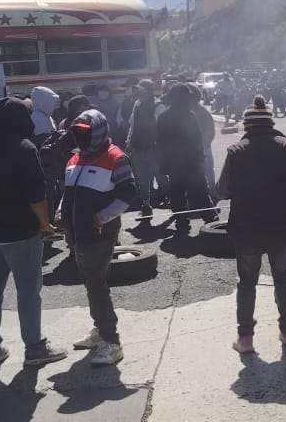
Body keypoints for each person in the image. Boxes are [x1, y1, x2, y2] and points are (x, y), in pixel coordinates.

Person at [0, 96, 68, 370]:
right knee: (28, 292)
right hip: (21, 233)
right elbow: (36, 194)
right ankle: (35, 349)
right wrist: (45, 224)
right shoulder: (24, 147)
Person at [216, 96, 286, 354]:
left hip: (246, 229)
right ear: (270, 124)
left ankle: (245, 339)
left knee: (247, 283)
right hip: (281, 227)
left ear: (247, 126)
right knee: (283, 280)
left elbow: (222, 191)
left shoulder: (236, 151)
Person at [60, 109, 139, 367]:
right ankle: (100, 330)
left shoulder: (116, 158)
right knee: (92, 284)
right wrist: (62, 214)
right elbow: (68, 191)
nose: (80, 137)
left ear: (98, 131)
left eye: (85, 133)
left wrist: (103, 216)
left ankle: (111, 341)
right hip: (76, 232)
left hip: (99, 233)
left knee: (96, 285)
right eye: (77, 133)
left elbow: (128, 194)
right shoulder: (75, 158)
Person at [157, 84, 216, 236]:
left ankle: (182, 224)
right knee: (200, 194)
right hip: (191, 165)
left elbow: (161, 144)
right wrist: (201, 160)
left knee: (177, 196)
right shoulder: (189, 116)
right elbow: (196, 141)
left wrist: (164, 167)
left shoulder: (164, 117)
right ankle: (212, 222)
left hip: (176, 166)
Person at [124, 81, 161, 212]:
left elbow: (163, 129)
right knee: (142, 179)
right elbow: (132, 125)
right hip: (138, 148)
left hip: (154, 149)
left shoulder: (158, 105)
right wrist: (128, 142)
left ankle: (175, 202)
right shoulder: (137, 104)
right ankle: (146, 204)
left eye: (141, 90)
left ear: (148, 91)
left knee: (161, 177)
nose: (138, 93)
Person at [188, 84, 218, 197]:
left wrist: (205, 144)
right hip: (192, 147)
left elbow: (210, 130)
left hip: (202, 147)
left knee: (208, 170)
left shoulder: (202, 111)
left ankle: (212, 192)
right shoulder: (187, 111)